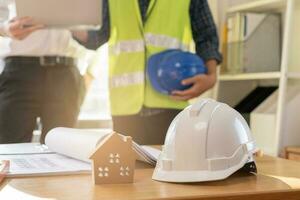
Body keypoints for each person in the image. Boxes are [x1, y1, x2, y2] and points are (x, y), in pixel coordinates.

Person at [83, 0, 222, 145]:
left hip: (171, 98)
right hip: (125, 107)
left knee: (170, 165)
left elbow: (206, 35)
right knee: (130, 166)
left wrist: (211, 76)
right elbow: (98, 36)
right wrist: (69, 24)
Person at [0, 0, 94, 144]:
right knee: (9, 148)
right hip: (19, 72)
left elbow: (95, 29)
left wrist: (73, 22)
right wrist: (6, 29)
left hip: (65, 74)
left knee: (62, 150)